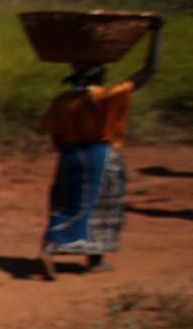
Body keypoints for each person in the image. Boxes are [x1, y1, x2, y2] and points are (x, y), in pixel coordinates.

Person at [39, 19, 163, 278]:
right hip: (101, 156)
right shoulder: (110, 96)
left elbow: (55, 136)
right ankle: (94, 261)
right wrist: (156, 34)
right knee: (102, 206)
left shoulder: (62, 102)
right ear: (99, 75)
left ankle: (50, 247)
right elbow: (148, 71)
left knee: (66, 203)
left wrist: (67, 154)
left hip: (69, 157)